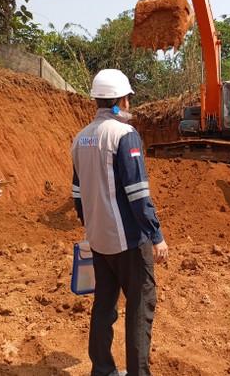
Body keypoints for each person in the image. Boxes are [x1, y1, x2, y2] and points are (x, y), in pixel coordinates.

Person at [72, 69, 168, 376]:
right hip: (128, 241)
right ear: (120, 101)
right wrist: (156, 235)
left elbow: (77, 194)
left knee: (104, 306)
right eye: (127, 99)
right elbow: (138, 194)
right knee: (141, 306)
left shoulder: (80, 138)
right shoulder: (124, 135)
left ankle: (102, 370)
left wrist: (92, 226)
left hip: (99, 240)